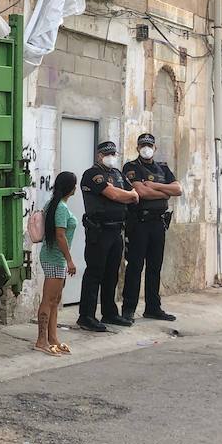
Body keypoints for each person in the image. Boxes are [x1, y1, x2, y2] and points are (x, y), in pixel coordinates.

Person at [77, 140, 139, 332]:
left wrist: (127, 195)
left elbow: (135, 193)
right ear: (99, 156)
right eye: (107, 154)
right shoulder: (92, 174)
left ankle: (109, 312)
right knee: (95, 273)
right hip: (99, 230)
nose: (111, 157)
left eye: (113, 153)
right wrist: (126, 195)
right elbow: (114, 195)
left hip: (116, 230)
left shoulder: (117, 174)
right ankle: (86, 316)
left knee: (112, 273)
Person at [122, 132, 180, 322]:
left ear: (155, 148)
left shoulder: (162, 167)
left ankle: (153, 308)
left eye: (150, 145)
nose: (146, 149)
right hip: (139, 223)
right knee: (135, 267)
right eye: (142, 145)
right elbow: (141, 192)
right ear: (138, 148)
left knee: (155, 267)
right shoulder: (131, 167)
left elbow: (178, 189)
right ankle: (128, 309)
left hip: (158, 223)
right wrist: (164, 191)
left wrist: (154, 188)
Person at [35, 172, 79, 356]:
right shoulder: (60, 208)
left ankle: (52, 337)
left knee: (55, 300)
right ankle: (41, 340)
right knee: (49, 299)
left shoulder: (55, 205)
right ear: (70, 188)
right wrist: (69, 260)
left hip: (55, 257)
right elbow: (60, 235)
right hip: (55, 257)